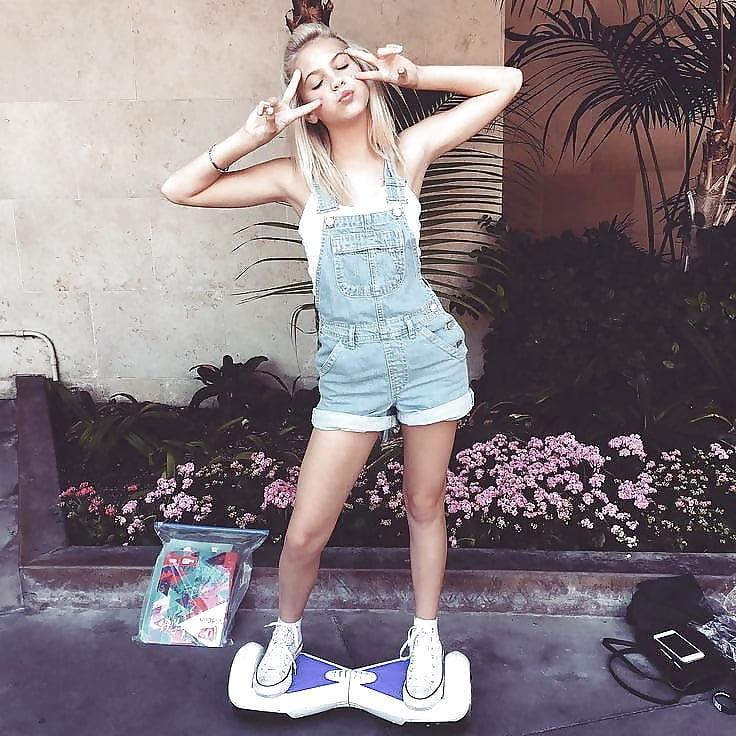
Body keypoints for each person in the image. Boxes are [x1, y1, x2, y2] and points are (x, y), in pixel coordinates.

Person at [161, 21, 522, 710]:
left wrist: (414, 76)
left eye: (344, 65)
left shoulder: (407, 154)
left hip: (428, 357)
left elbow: (507, 82)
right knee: (305, 531)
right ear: (307, 105)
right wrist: (251, 135)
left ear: (364, 71)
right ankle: (287, 635)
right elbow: (182, 188)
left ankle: (424, 636)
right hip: (352, 373)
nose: (338, 83)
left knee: (425, 504)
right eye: (317, 81)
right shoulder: (297, 179)